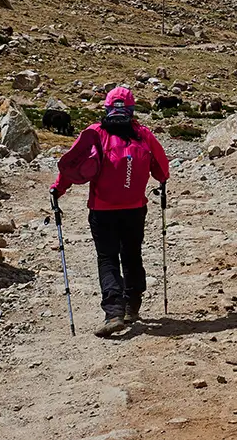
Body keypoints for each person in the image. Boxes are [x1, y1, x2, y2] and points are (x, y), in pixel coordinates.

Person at [50, 86, 170, 337]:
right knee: (132, 254)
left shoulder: (96, 133)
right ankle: (132, 304)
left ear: (106, 108)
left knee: (107, 258)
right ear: (131, 109)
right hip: (135, 208)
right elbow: (162, 171)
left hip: (102, 209)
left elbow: (72, 164)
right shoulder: (143, 134)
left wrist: (57, 189)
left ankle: (113, 312)